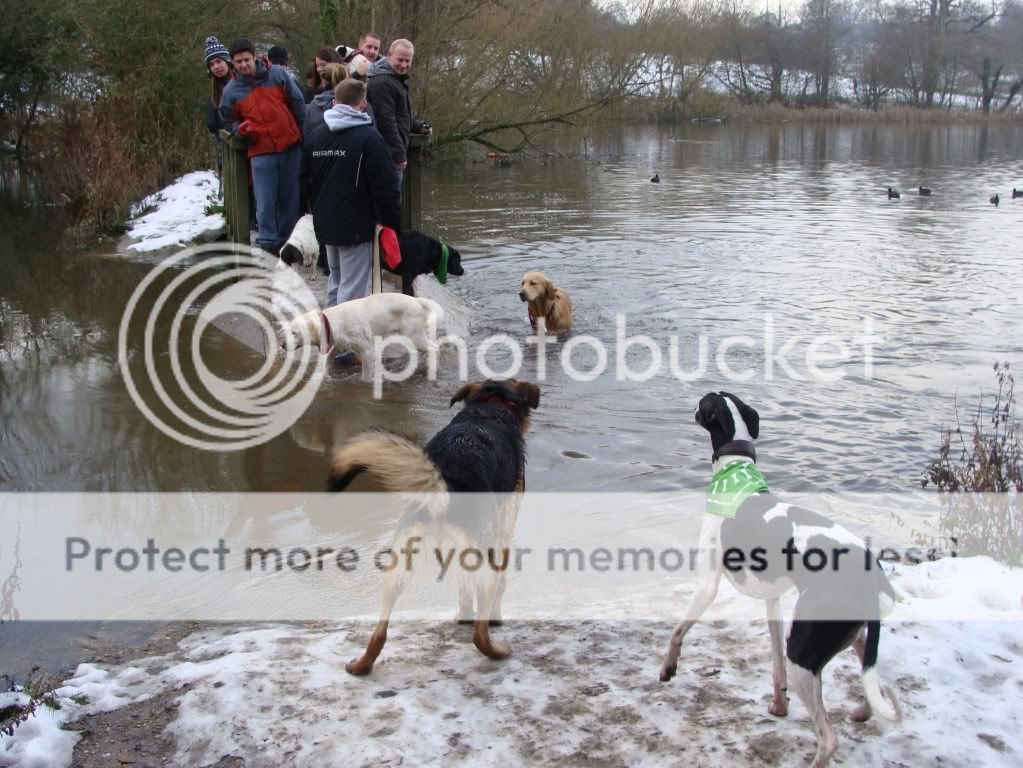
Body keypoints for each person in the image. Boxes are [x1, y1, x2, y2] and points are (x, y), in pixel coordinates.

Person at [305, 78, 399, 308]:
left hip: (325, 222)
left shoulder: (316, 135)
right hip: (355, 226)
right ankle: (345, 342)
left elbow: (304, 180)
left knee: (335, 282)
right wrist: (392, 224)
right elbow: (386, 188)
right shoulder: (370, 138)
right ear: (362, 105)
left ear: (335, 102)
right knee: (353, 289)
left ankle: (328, 336)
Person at [220, 38, 306, 255]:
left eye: (246, 60)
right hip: (260, 149)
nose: (243, 65)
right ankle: (268, 242)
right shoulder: (231, 90)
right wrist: (240, 128)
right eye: (238, 62)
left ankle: (287, 242)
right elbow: (227, 119)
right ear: (232, 63)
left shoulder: (277, 74)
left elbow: (297, 103)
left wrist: (305, 136)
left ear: (255, 56)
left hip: (290, 145)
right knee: (265, 200)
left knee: (290, 197)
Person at [366, 39, 432, 198]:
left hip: (390, 152)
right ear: (389, 55)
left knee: (391, 202)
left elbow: (400, 115)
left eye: (408, 61)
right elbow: (385, 122)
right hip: (386, 154)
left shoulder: (394, 79)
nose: (403, 65)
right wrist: (399, 155)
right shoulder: (383, 82)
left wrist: (418, 127)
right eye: (400, 60)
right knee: (388, 203)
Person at [203, 36, 233, 174]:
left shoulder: (240, 85)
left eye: (219, 61)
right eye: (212, 64)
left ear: (227, 61)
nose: (216, 66)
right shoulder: (214, 93)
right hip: (224, 150)